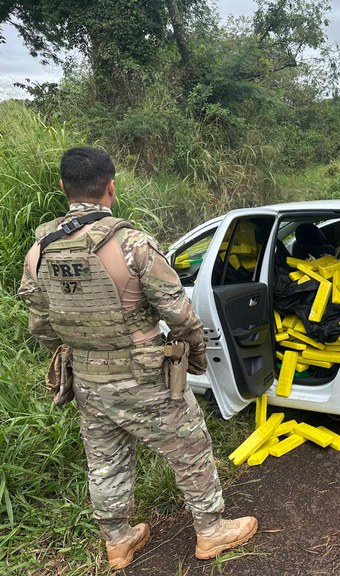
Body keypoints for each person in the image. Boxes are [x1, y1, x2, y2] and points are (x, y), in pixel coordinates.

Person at [17, 147, 258, 569]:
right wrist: (196, 359)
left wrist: (82, 349)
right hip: (145, 375)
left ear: (62, 187)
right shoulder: (132, 244)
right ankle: (211, 530)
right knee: (191, 448)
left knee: (104, 461)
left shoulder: (39, 253)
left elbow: (40, 327)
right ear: (111, 186)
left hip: (89, 382)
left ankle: (118, 541)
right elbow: (181, 316)